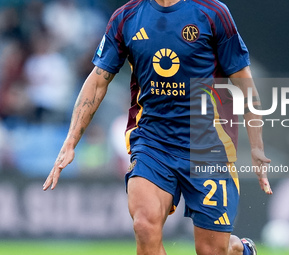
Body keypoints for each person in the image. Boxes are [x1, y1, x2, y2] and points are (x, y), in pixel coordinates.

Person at [43, 0, 273, 254]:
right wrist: (70, 141)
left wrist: (257, 147)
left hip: (208, 145)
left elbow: (245, 84)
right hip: (152, 142)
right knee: (144, 225)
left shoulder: (212, 13)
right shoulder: (126, 18)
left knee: (212, 250)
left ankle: (240, 249)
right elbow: (97, 81)